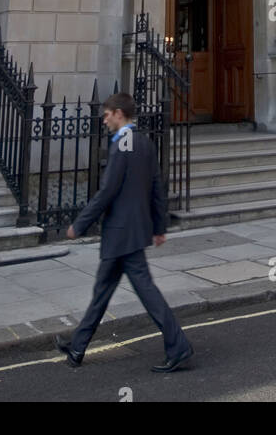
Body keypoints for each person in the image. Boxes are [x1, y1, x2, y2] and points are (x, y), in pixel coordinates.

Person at [54, 92, 193, 373]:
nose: (104, 120)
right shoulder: (144, 143)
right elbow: (157, 187)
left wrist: (79, 225)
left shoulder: (122, 146)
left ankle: (178, 346)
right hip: (132, 231)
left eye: (107, 115)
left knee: (144, 292)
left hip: (121, 233)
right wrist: (159, 226)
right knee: (102, 292)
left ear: (119, 114)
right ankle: (78, 347)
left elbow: (107, 192)